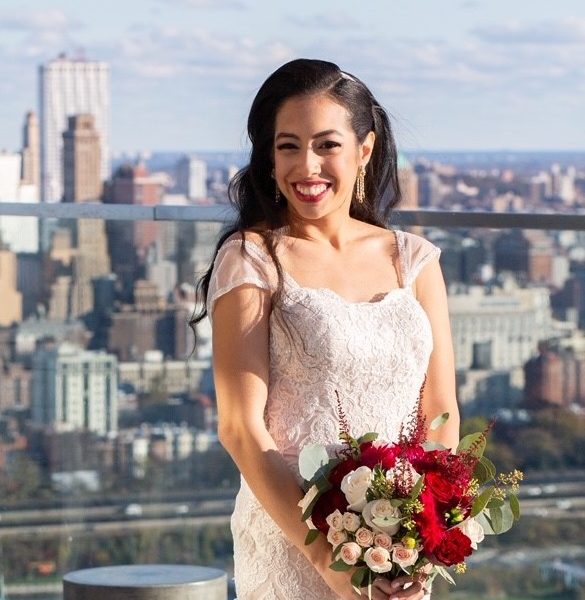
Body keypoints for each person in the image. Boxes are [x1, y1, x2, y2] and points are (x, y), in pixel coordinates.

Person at [192, 59, 460, 600]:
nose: (306, 166)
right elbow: (239, 428)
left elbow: (442, 413)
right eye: (287, 145)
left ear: (364, 149)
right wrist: (331, 562)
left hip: (397, 550)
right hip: (291, 543)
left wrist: (424, 537)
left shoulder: (415, 261)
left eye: (326, 145)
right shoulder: (251, 260)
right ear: (268, 157)